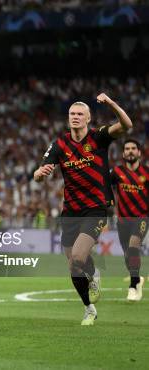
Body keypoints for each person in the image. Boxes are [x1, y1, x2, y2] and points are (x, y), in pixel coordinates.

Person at [34, 93, 132, 325]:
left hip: (96, 208)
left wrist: (110, 103)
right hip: (70, 211)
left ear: (88, 118)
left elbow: (127, 125)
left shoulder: (98, 137)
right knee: (73, 265)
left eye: (80, 114)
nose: (75, 117)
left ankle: (94, 275)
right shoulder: (60, 144)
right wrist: (39, 174)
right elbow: (38, 174)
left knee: (78, 257)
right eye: (72, 114)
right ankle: (89, 308)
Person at [110, 139, 147, 301]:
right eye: (127, 149)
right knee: (128, 255)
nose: (130, 151)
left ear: (139, 152)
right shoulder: (117, 172)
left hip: (141, 218)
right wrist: (108, 203)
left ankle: (132, 287)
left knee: (133, 247)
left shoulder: (147, 173)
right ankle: (138, 279)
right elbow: (105, 189)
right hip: (123, 220)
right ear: (123, 153)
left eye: (133, 148)